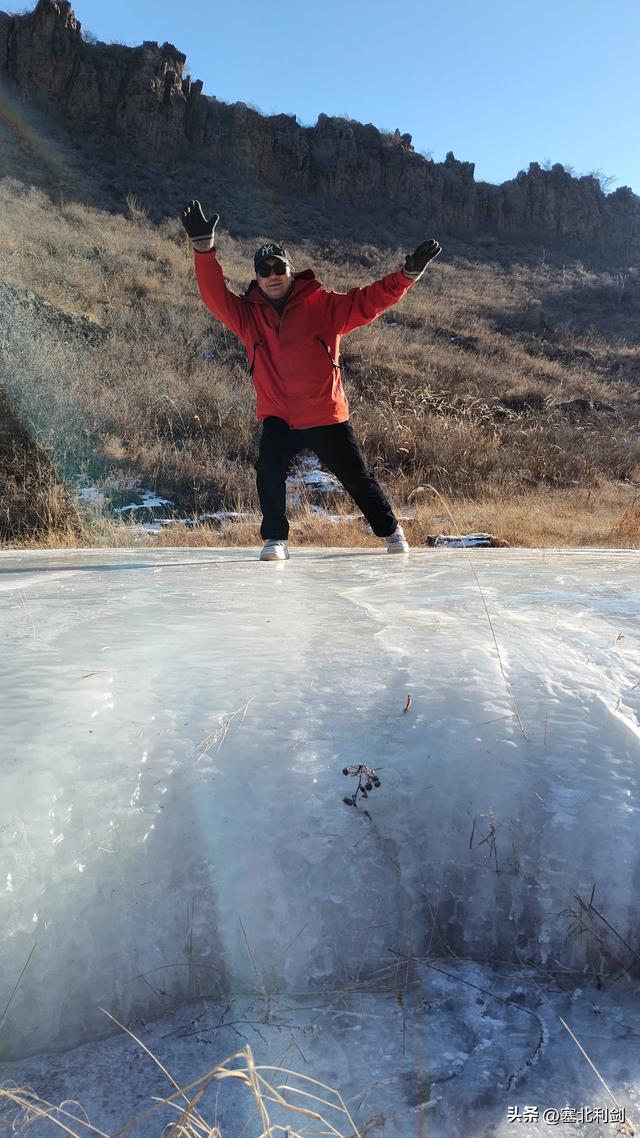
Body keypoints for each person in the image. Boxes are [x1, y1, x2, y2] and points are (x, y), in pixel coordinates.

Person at [181, 201, 442, 560]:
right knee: (268, 470)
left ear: (291, 271)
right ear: (257, 277)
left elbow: (370, 301)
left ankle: (391, 531)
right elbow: (214, 296)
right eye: (264, 270)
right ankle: (276, 540)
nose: (272, 275)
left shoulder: (324, 306)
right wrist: (203, 249)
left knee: (357, 478)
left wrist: (407, 275)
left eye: (279, 268)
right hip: (279, 415)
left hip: (325, 414)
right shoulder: (246, 315)